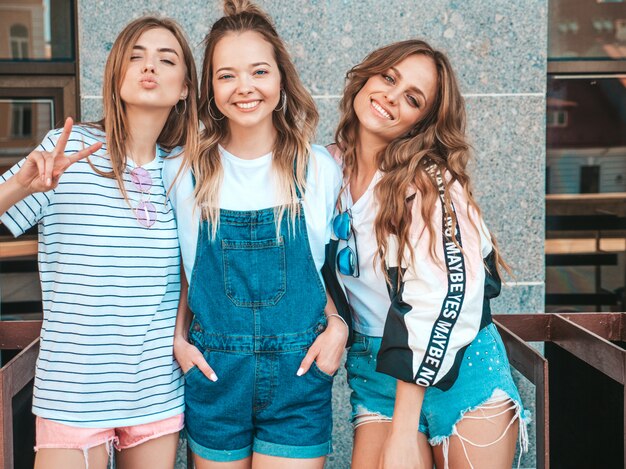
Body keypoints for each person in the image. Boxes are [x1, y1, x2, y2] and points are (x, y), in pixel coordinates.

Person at [0, 16, 198, 469]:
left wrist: (180, 335)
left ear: (185, 86)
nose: (149, 67)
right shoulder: (67, 152)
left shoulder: (184, 171)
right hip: (72, 393)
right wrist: (23, 187)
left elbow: (191, 271)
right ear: (116, 72)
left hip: (155, 391)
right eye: (136, 56)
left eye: (166, 59)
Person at [326, 39, 529, 469]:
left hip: (461, 371)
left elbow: (441, 300)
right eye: (388, 77)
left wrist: (403, 429)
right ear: (367, 75)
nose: (391, 98)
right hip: (376, 371)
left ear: (423, 122)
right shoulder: (325, 171)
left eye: (412, 99)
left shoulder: (431, 185)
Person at [162, 1, 347, 468]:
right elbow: (186, 270)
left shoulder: (316, 168)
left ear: (281, 79)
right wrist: (180, 340)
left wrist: (338, 327)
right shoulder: (183, 171)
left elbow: (321, 265)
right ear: (209, 87)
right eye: (226, 75)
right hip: (215, 375)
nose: (244, 87)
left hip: (299, 376)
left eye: (259, 71)